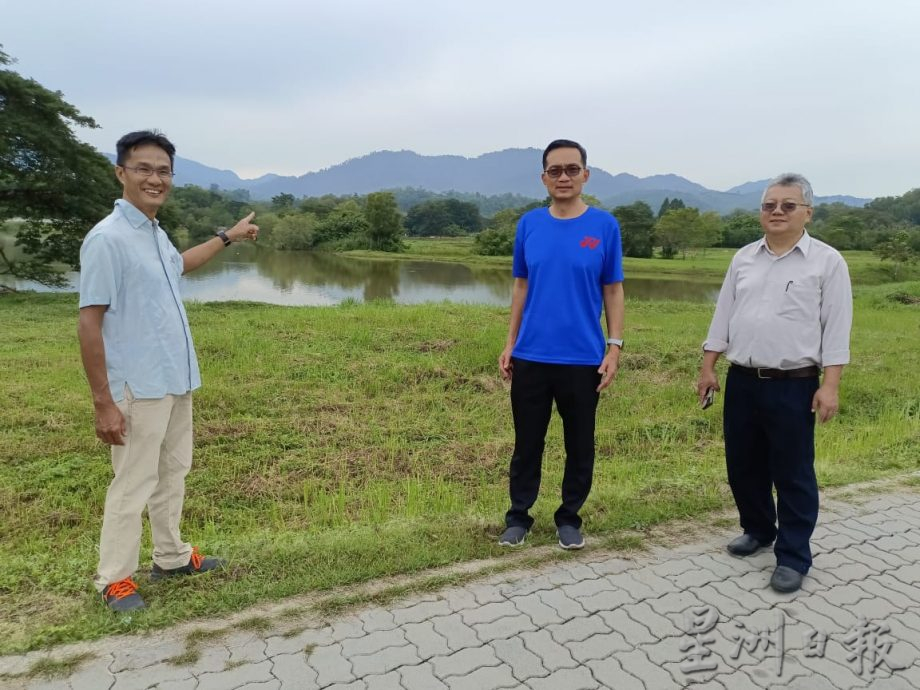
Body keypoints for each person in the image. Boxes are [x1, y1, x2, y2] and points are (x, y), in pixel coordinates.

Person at [78, 130, 259, 612]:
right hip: (138, 387)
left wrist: (227, 236)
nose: (154, 178)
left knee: (173, 473)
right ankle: (113, 579)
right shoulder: (108, 239)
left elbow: (181, 266)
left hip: (176, 379)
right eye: (143, 168)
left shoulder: (153, 233)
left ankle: (172, 557)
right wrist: (104, 401)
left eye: (163, 171)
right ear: (121, 173)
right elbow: (89, 321)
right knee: (133, 482)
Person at [697, 173, 852, 593]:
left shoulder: (827, 262)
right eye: (769, 205)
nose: (777, 212)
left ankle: (794, 555)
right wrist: (708, 366)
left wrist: (830, 385)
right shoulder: (744, 258)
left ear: (807, 212)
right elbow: (723, 315)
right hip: (743, 380)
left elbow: (836, 330)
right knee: (743, 464)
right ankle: (758, 529)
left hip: (794, 384)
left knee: (792, 471)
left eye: (788, 205)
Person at [498, 139, 625, 550]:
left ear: (586, 174)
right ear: (544, 178)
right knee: (527, 444)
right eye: (555, 170)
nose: (564, 177)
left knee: (579, 445)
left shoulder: (604, 226)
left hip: (582, 358)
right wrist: (510, 342)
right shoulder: (529, 225)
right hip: (531, 356)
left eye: (572, 169)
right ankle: (519, 517)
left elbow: (613, 291)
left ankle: (569, 518)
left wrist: (614, 347)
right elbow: (521, 286)